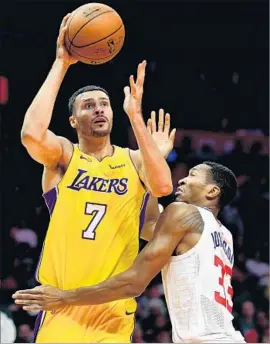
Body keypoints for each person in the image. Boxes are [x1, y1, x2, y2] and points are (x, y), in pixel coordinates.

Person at [16, 12, 175, 343]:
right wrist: (62, 62)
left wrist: (137, 119)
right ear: (73, 121)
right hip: (60, 304)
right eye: (88, 106)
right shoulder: (64, 156)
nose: (99, 109)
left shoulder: (133, 160)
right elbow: (32, 134)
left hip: (112, 310)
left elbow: (163, 187)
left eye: (104, 104)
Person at [14, 159, 246, 343]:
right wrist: (151, 163)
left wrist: (64, 298)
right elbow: (150, 227)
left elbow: (133, 284)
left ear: (212, 191)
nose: (182, 180)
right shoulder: (224, 235)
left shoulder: (183, 213)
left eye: (193, 175)